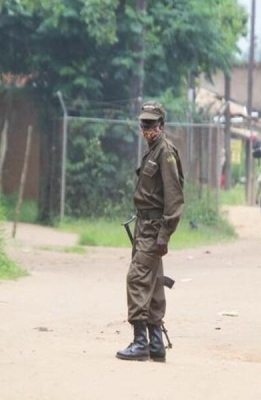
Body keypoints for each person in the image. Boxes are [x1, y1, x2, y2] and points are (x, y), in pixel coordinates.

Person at [116, 101, 184, 362]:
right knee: (153, 282)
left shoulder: (165, 152)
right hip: (144, 225)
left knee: (136, 279)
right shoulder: (153, 150)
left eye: (151, 124)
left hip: (154, 228)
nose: (146, 129)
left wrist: (164, 234)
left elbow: (175, 198)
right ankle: (156, 343)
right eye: (143, 124)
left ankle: (139, 341)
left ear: (161, 125)